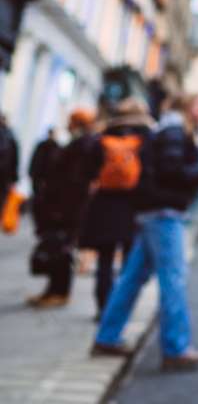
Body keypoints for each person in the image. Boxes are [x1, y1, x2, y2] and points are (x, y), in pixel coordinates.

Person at [92, 93, 198, 370]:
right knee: (173, 279)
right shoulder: (175, 132)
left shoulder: (164, 129)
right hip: (165, 213)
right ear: (185, 108)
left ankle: (107, 337)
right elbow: (173, 172)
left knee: (132, 278)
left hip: (151, 211)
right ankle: (175, 348)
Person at [79, 100, 154, 318]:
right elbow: (150, 173)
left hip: (104, 203)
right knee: (130, 264)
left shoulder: (105, 134)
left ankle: (102, 309)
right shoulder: (147, 136)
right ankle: (120, 311)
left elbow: (88, 169)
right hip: (133, 206)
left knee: (104, 260)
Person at [27, 110, 97, 307]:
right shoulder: (82, 144)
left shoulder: (82, 146)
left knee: (61, 250)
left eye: (70, 121)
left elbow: (72, 181)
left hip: (67, 209)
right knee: (58, 249)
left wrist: (59, 208)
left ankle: (58, 292)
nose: (67, 124)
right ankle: (53, 291)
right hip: (67, 207)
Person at [0, 112, 18, 207]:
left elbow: (14, 159)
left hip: (4, 176)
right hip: (5, 176)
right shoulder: (11, 136)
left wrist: (14, 178)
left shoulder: (10, 137)